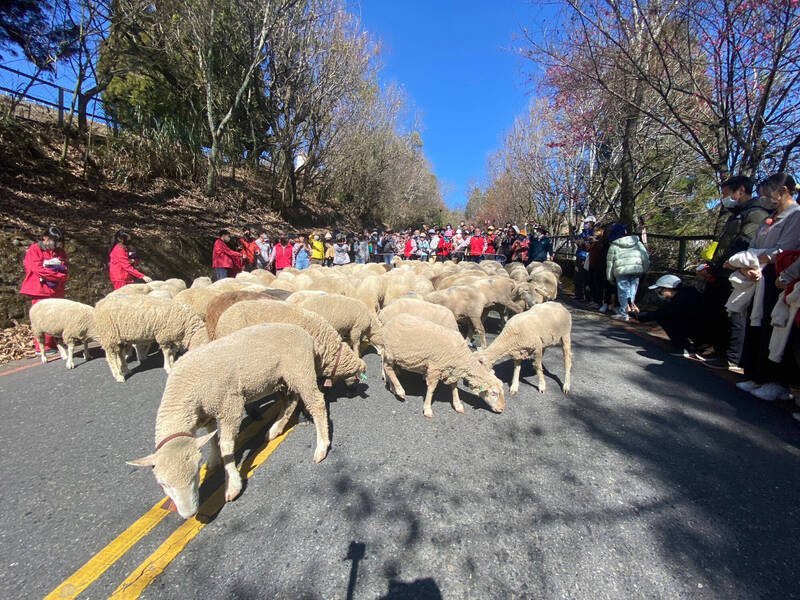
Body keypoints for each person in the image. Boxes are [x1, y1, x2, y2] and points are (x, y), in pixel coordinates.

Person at [735, 173, 800, 401]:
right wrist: (748, 265)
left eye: (768, 193)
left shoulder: (796, 217)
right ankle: (756, 374)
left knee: (775, 328)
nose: (765, 198)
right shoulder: (768, 219)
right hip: (758, 274)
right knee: (756, 324)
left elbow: (784, 250)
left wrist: (754, 257)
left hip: (779, 277)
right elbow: (753, 247)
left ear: (783, 191)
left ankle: (776, 381)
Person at [699, 176, 770, 370]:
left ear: (740, 190)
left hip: (736, 270)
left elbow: (744, 242)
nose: (723, 198)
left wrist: (730, 263)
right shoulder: (737, 213)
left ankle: (732, 357)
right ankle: (719, 351)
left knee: (734, 313)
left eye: (725, 193)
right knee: (720, 311)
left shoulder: (755, 214)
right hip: (722, 269)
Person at [629, 275, 712, 358]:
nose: (659, 293)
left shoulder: (679, 300)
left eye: (660, 290)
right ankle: (697, 344)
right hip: (706, 329)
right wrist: (639, 314)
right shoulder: (687, 293)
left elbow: (660, 314)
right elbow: (661, 312)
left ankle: (686, 347)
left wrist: (635, 315)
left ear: (668, 288)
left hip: (702, 331)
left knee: (665, 319)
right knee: (669, 318)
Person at [20, 226, 69, 354]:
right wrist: (58, 276)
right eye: (53, 240)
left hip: (56, 289)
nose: (55, 244)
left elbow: (64, 268)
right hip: (40, 289)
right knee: (41, 318)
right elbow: (37, 269)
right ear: (45, 238)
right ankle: (42, 346)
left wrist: (60, 275)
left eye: (58, 241)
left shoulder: (60, 252)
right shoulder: (34, 250)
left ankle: (54, 343)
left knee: (55, 317)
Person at [605, 223, 649, 321]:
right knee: (632, 291)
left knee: (623, 291)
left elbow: (610, 263)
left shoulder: (614, 245)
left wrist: (610, 277)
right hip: (636, 269)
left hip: (621, 271)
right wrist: (645, 269)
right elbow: (645, 257)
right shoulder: (637, 242)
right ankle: (629, 311)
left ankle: (624, 312)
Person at [574, 216, 596, 302]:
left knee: (586, 278)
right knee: (577, 277)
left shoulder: (593, 233)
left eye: (587, 223)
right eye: (585, 223)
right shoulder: (582, 233)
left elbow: (591, 244)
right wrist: (577, 240)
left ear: (591, 223)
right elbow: (577, 239)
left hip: (587, 257)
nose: (585, 224)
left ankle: (588, 297)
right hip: (579, 256)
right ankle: (578, 295)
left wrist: (584, 242)